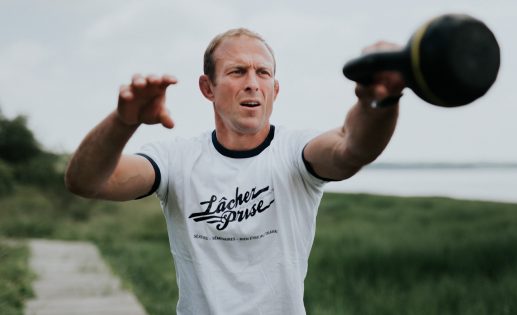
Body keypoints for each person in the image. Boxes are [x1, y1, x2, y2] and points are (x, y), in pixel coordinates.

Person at [65, 28, 404, 315]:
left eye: (263, 73)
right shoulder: (176, 159)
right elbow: (87, 182)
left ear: (275, 90)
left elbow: (352, 148)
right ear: (207, 88)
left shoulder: (295, 152)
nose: (253, 83)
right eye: (237, 71)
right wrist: (124, 122)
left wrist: (380, 101)